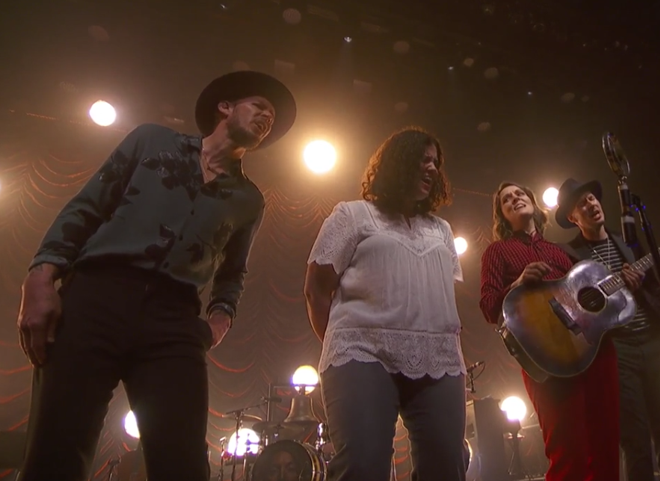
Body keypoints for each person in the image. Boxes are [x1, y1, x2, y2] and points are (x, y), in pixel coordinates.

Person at [16, 70, 296, 481]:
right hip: (97, 294)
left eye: (271, 117)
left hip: (173, 317)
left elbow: (233, 272)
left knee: (183, 462)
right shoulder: (152, 140)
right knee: (56, 450)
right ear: (225, 107)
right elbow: (87, 207)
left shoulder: (248, 199)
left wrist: (217, 324)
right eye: (259, 106)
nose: (267, 118)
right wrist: (40, 278)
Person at [304, 127, 467, 481]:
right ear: (398, 162)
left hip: (439, 359)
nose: (432, 168)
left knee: (448, 466)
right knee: (362, 465)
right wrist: (342, 347)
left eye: (436, 162)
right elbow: (316, 290)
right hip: (363, 353)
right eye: (423, 159)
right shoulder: (352, 215)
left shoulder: (442, 230)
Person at [479, 182, 625, 481]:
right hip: (545, 356)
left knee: (607, 445)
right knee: (567, 451)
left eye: (520, 193)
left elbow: (588, 294)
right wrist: (517, 283)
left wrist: (623, 284)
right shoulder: (497, 251)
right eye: (506, 200)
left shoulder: (560, 251)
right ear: (502, 216)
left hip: (591, 346)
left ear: (533, 203)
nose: (514, 199)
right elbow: (489, 306)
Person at [553, 178, 660, 481]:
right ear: (573, 218)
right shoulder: (570, 255)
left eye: (591, 199)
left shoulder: (628, 242)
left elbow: (656, 288)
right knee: (635, 441)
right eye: (581, 204)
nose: (591, 205)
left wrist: (639, 286)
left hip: (655, 342)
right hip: (618, 352)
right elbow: (570, 306)